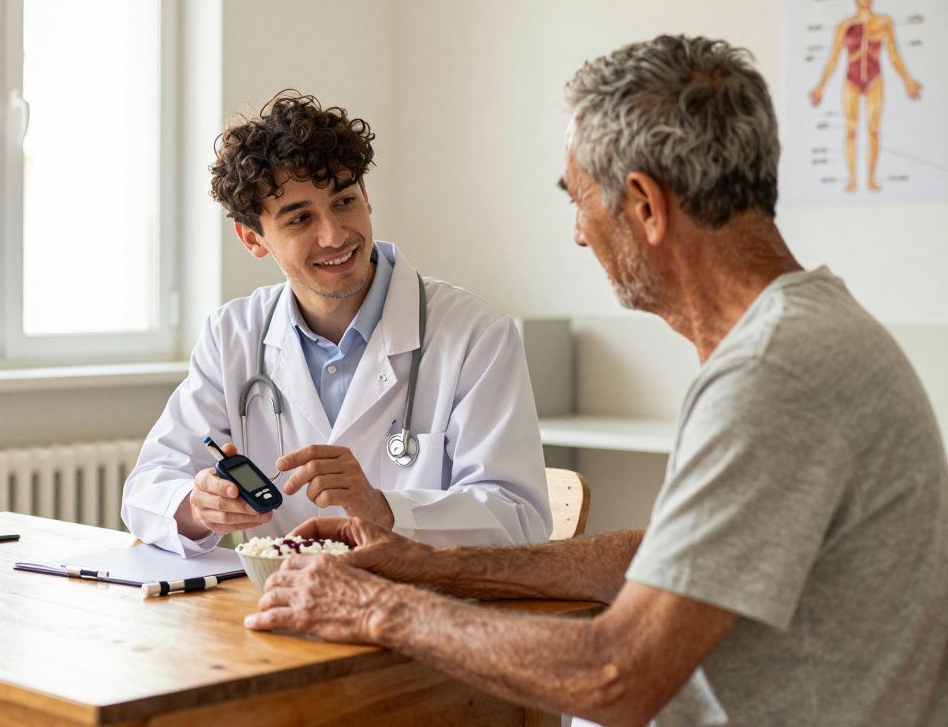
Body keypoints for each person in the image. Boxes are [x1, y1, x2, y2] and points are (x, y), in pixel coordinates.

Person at [246, 37, 948, 725]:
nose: (580, 234)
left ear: (644, 204)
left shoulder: (776, 375)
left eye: (578, 197)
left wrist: (374, 607)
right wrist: (428, 565)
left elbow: (616, 673)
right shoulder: (802, 328)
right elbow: (665, 556)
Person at [121, 92, 551, 557]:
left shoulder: (475, 335)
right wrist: (198, 506)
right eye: (300, 218)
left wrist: (384, 509)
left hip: (423, 608)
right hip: (283, 605)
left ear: (365, 197)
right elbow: (148, 486)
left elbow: (519, 520)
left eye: (344, 201)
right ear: (253, 238)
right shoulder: (232, 335)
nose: (335, 235)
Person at [809, 0, 922, 192]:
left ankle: (871, 179)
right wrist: (821, 86)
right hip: (851, 80)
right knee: (851, 130)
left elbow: (894, 54)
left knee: (873, 129)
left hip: (874, 80)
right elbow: (834, 57)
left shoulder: (884, 22)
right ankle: (852, 179)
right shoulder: (845, 25)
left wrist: (907, 80)